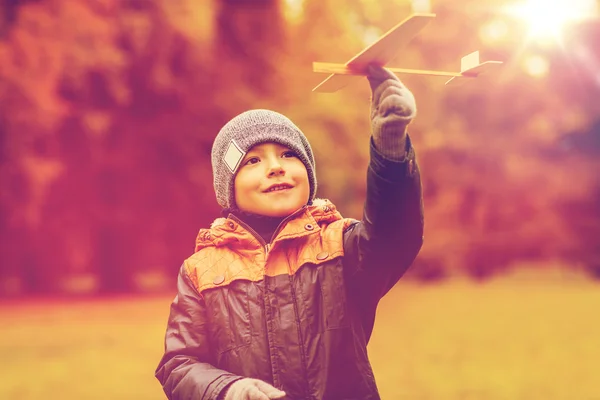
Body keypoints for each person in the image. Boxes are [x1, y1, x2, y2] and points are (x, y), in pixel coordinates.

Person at [155, 65, 424, 400]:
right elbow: (179, 363)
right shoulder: (202, 271)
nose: (275, 166)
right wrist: (226, 389)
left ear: (308, 174)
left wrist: (390, 149)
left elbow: (395, 235)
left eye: (288, 154)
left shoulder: (341, 245)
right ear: (228, 188)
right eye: (253, 161)